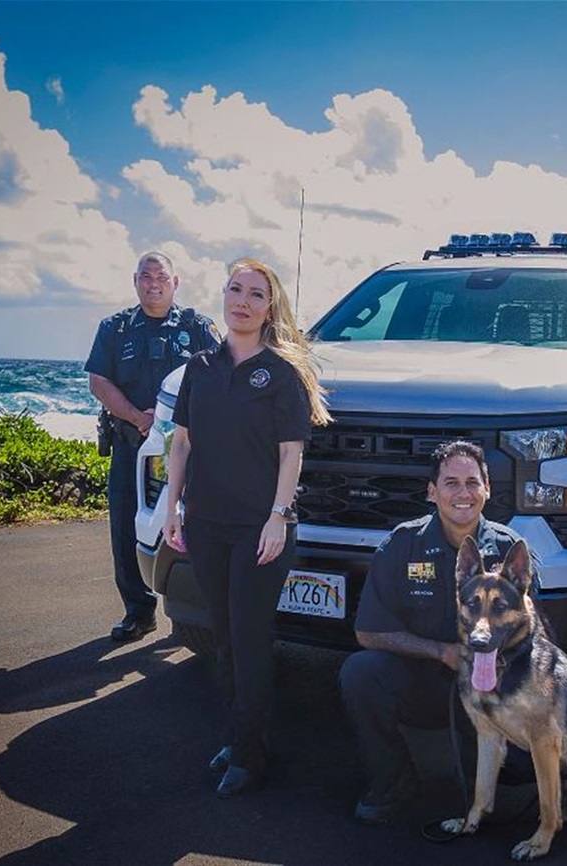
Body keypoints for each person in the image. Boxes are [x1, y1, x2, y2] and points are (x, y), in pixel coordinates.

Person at [162, 256, 332, 797]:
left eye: (256, 294)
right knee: (223, 638)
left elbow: (291, 455)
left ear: (269, 307)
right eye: (235, 289)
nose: (242, 301)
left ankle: (250, 756)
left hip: (261, 530)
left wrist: (279, 517)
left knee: (251, 637)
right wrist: (172, 509)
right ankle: (239, 738)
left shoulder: (282, 373)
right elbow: (182, 443)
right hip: (206, 525)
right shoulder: (200, 367)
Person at [339, 440, 536, 826]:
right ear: (432, 492)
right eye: (450, 483)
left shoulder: (510, 550)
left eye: (472, 482)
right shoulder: (402, 544)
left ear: (487, 488)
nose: (463, 494)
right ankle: (392, 780)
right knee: (359, 672)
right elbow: (368, 631)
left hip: (492, 690)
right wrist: (440, 651)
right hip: (426, 683)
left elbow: (534, 637)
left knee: (523, 771)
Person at [86, 251, 219, 643]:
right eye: (146, 277)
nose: (154, 283)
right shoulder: (114, 328)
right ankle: (138, 613)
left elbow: (222, 374)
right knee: (128, 528)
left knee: (198, 525)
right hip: (132, 445)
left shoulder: (197, 327)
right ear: (135, 281)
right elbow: (99, 381)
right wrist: (138, 418)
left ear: (176, 283)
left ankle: (200, 610)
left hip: (189, 450)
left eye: (162, 277)